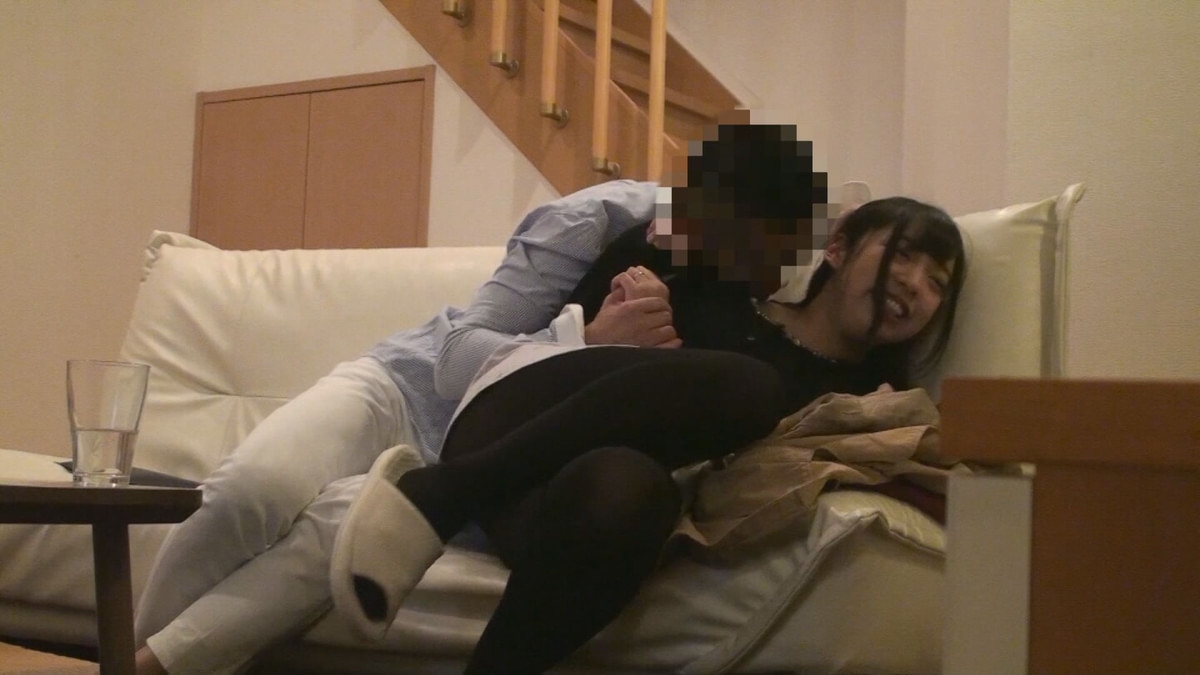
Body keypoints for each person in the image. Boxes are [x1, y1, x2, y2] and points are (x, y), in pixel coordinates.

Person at [331, 125, 967, 674]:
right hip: (507, 423)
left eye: (937, 282)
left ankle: (449, 533)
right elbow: (528, 352)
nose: (915, 284)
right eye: (904, 255)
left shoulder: (869, 407)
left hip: (569, 507)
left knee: (633, 489)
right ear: (837, 246)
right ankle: (441, 492)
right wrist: (606, 334)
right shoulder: (705, 281)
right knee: (749, 387)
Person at [131, 178, 663, 675]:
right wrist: (585, 344)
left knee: (339, 540)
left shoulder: (718, 308)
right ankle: (124, 655)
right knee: (251, 487)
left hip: (477, 469)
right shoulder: (598, 216)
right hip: (402, 389)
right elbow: (455, 361)